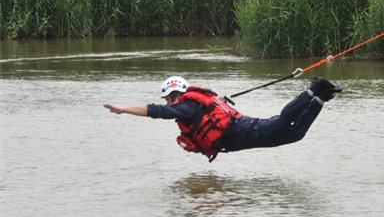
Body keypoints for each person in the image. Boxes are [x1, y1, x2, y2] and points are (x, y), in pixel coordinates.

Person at [103, 75, 342, 161]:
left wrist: (123, 109)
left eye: (168, 99)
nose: (168, 104)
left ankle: (313, 90)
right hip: (241, 139)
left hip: (243, 130)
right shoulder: (193, 106)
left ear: (175, 96)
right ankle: (322, 97)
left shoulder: (185, 107)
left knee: (281, 123)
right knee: (295, 134)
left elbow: (155, 111)